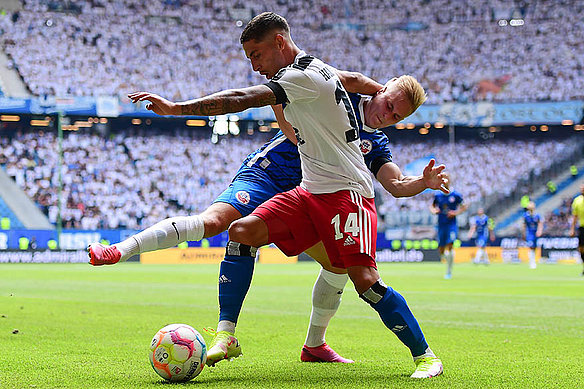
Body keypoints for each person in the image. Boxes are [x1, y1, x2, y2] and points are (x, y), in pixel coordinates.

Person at [90, 13, 447, 377]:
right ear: (382, 89)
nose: (254, 64)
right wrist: (370, 89)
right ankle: (224, 332)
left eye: (256, 55)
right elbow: (347, 83)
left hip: (345, 194)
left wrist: (177, 109)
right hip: (293, 182)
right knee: (236, 230)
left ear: (278, 43)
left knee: (360, 278)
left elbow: (243, 98)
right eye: (388, 102)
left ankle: (423, 355)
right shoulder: (327, 77)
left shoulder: (310, 81)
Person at [430, 176, 467, 279]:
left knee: (450, 244)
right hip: (441, 224)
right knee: (441, 248)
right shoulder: (438, 195)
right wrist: (434, 211)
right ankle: (446, 259)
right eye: (443, 178)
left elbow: (464, 206)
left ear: (450, 181)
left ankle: (449, 271)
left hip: (451, 224)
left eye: (446, 178)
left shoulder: (456, 195)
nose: (445, 180)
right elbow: (432, 206)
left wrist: (456, 213)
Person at [522, 202, 543, 269]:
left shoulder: (537, 216)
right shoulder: (525, 216)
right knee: (530, 246)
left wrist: (539, 231)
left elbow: (540, 224)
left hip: (535, 233)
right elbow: (524, 225)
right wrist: (524, 233)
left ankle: (533, 260)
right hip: (530, 233)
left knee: (534, 247)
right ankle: (532, 262)